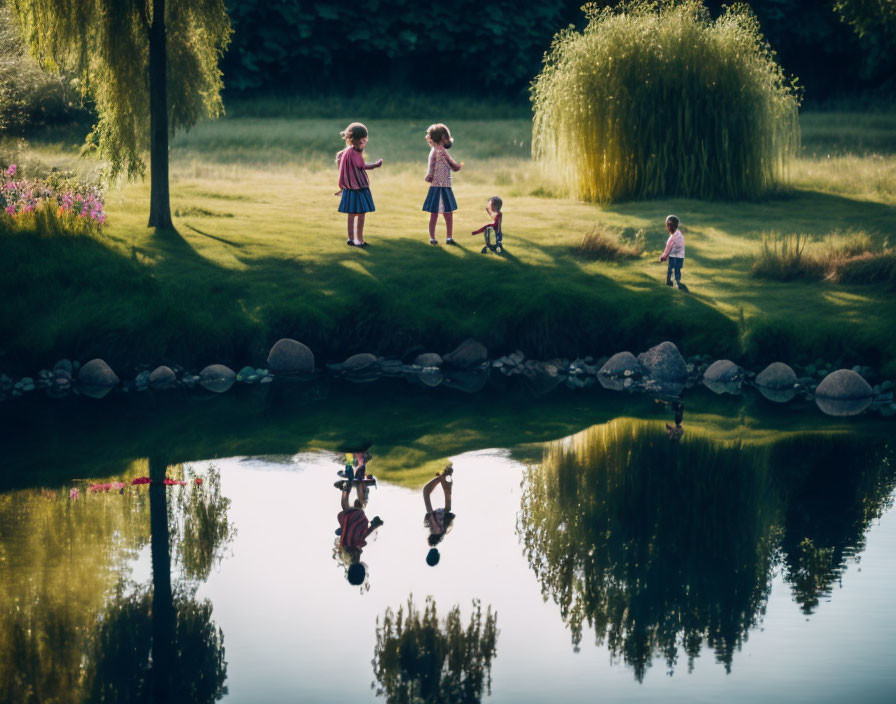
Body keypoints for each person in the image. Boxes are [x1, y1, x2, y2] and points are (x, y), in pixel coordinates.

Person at [335, 122, 383, 247]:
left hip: (349, 188)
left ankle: (350, 238)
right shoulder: (354, 154)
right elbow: (363, 166)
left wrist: (342, 186)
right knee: (361, 214)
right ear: (357, 140)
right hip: (358, 188)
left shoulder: (346, 152)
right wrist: (376, 165)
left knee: (351, 214)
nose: (364, 143)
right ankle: (359, 240)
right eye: (363, 141)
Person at [422, 123, 462, 246]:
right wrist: (457, 167)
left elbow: (433, 166)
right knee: (447, 213)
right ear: (443, 137)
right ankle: (448, 237)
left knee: (435, 213)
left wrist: (429, 175)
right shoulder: (440, 151)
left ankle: (433, 238)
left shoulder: (434, 150)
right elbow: (451, 164)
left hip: (439, 185)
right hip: (442, 186)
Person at [336, 484, 383, 585]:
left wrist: (373, 526)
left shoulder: (353, 555)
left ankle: (348, 488)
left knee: (349, 507)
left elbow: (361, 538)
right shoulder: (347, 556)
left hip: (357, 523)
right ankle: (346, 489)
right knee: (345, 507)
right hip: (352, 524)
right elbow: (360, 539)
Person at [422, 463, 455, 566]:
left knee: (427, 493)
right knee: (426, 493)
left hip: (439, 517)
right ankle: (442, 477)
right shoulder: (437, 533)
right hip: (438, 518)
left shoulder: (439, 533)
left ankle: (442, 478)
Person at [659, 214, 688, 291]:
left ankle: (673, 284)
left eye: (669, 225)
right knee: (674, 270)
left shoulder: (676, 236)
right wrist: (665, 255)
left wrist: (665, 255)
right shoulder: (676, 235)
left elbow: (672, 247)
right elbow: (669, 248)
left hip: (676, 257)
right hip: (677, 256)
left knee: (673, 270)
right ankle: (672, 283)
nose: (668, 227)